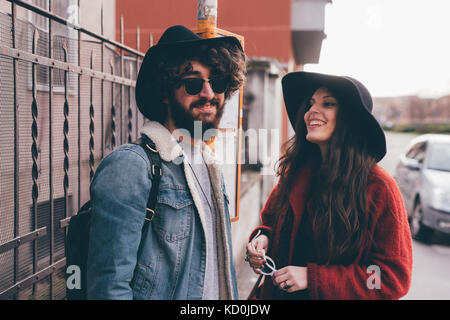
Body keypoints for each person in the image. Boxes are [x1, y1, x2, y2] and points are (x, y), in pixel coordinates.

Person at [87, 25, 246, 300]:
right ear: (165, 90)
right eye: (194, 83)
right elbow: (109, 289)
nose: (209, 93)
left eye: (217, 83)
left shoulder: (211, 168)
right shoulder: (131, 166)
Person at [246, 72, 413, 300]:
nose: (312, 111)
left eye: (328, 104)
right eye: (311, 103)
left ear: (350, 118)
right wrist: (263, 240)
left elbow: (391, 277)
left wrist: (314, 279)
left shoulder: (379, 187)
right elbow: (270, 223)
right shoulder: (295, 174)